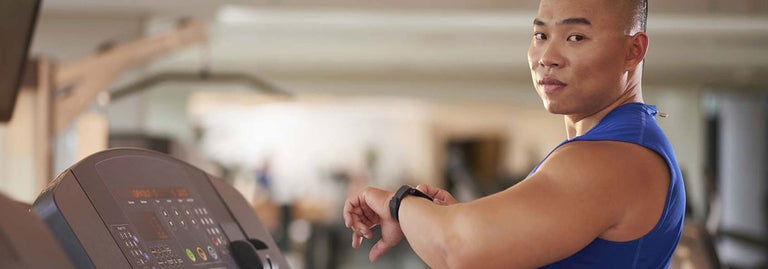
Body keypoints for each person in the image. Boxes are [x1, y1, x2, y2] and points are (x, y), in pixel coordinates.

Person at [343, 0, 687, 268]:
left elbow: (457, 249)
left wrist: (398, 202)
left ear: (633, 51)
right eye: (541, 35)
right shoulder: (619, 146)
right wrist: (458, 222)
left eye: (575, 37)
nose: (548, 57)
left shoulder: (611, 159)